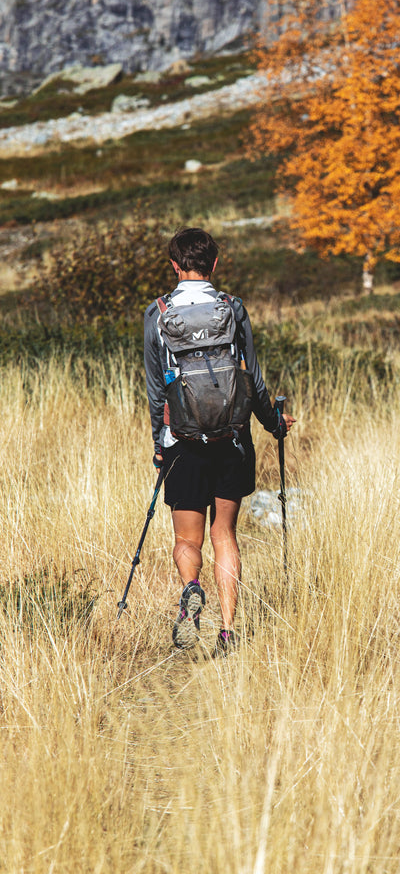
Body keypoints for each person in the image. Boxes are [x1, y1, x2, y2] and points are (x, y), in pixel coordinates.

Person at [143, 226, 294, 654]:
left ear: (174, 265)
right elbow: (253, 380)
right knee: (224, 535)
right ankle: (227, 631)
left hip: (182, 443)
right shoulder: (233, 308)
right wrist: (273, 422)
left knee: (186, 542)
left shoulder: (157, 314)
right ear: (215, 262)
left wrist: (160, 444)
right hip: (232, 439)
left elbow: (157, 392)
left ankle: (191, 588)